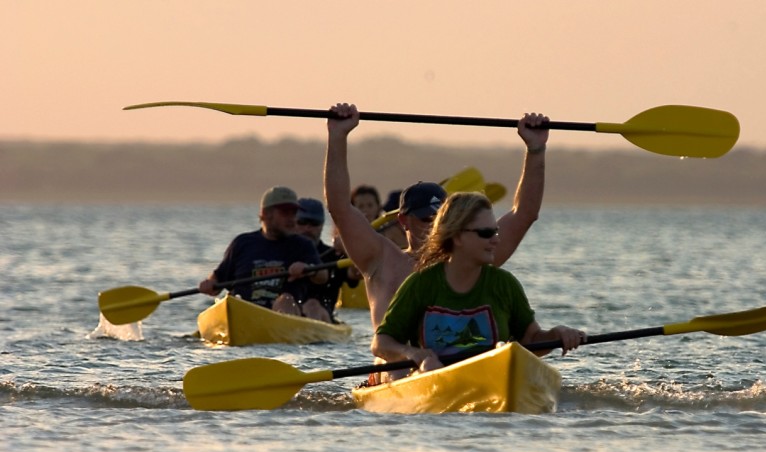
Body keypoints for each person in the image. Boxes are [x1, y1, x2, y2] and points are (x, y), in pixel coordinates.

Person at [323, 102, 550, 332]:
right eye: (426, 220)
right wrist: (338, 136)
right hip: (395, 365)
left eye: (440, 219)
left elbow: (525, 214)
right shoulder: (379, 258)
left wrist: (536, 149)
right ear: (404, 221)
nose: (435, 228)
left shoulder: (470, 255)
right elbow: (340, 208)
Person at [372, 192, 585, 376]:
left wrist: (558, 333)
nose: (496, 240)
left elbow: (530, 340)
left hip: (491, 377)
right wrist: (416, 354)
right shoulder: (420, 285)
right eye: (486, 233)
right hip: (435, 383)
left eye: (496, 231)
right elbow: (381, 344)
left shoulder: (504, 284)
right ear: (456, 237)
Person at [198, 186, 328, 318]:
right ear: (266, 214)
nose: (291, 218)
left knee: (285, 300)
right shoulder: (242, 243)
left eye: (294, 213)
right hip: (244, 310)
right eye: (285, 213)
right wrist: (209, 284)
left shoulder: (302, 245)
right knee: (230, 300)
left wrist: (309, 269)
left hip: (284, 311)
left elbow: (323, 277)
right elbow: (218, 279)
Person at [295, 197, 361, 323]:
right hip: (287, 311)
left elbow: (357, 273)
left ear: (321, 225)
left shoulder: (334, 256)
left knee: (312, 305)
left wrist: (348, 249)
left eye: (314, 223)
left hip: (322, 317)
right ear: (293, 222)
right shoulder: (282, 253)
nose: (307, 229)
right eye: (302, 222)